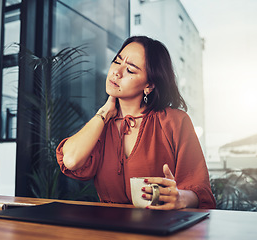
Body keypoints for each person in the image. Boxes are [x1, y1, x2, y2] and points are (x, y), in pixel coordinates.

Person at [56, 36, 216, 210]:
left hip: (162, 229)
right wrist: (103, 113)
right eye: (116, 62)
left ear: (149, 85)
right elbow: (71, 161)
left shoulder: (175, 121)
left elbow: (201, 191)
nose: (117, 72)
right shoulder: (102, 125)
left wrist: (181, 198)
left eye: (130, 70)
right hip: (108, 229)